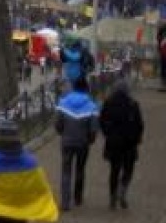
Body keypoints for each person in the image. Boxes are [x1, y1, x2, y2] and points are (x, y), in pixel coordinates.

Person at [55, 78, 99, 210]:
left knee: (66, 171)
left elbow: (58, 125)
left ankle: (65, 201)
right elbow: (93, 129)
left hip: (67, 142)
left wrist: (63, 133)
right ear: (87, 90)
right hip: (83, 143)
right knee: (80, 169)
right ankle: (78, 197)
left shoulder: (63, 103)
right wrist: (90, 140)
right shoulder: (92, 106)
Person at [98, 80, 144, 210]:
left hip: (114, 143)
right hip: (130, 143)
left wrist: (107, 133)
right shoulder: (133, 104)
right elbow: (140, 124)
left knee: (114, 170)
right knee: (128, 170)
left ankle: (112, 196)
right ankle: (122, 190)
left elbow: (101, 120)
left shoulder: (108, 103)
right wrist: (137, 137)